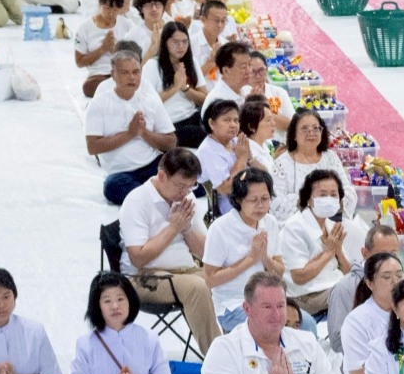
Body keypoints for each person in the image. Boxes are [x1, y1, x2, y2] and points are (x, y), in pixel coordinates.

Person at [201, 273, 349, 374]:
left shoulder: (307, 341)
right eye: (267, 307)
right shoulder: (225, 349)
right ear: (247, 309)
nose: (276, 314)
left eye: (280, 305)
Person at [118, 148, 222, 354]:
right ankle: (218, 359)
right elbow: (137, 258)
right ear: (162, 175)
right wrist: (173, 228)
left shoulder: (187, 198)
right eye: (180, 186)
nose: (185, 192)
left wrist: (187, 228)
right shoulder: (137, 200)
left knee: (233, 276)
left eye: (190, 186)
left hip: (186, 271)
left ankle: (242, 348)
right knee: (197, 287)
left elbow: (205, 253)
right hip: (144, 277)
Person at [85, 43, 176, 204]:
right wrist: (130, 134)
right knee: (113, 187)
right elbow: (93, 147)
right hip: (121, 172)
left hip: (152, 164)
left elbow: (171, 142)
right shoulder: (99, 103)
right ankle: (158, 195)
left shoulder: (149, 97)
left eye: (136, 72)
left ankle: (153, 194)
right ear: (113, 75)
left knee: (185, 171)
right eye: (125, 73)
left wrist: (144, 133)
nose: (131, 77)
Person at [202, 167, 285, 331]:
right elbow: (210, 280)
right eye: (253, 200)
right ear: (239, 200)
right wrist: (250, 259)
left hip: (269, 300)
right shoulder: (220, 228)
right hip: (232, 305)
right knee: (270, 328)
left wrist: (264, 257)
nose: (260, 206)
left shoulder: (270, 223)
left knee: (306, 324)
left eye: (265, 199)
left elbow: (279, 272)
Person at [279, 170, 369, 318]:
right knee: (358, 294)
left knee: (368, 284)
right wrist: (328, 252)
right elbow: (298, 277)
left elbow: (347, 272)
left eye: (333, 195)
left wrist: (338, 252)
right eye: (322, 194)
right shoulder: (295, 227)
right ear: (309, 199)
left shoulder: (330, 225)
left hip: (332, 287)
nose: (328, 199)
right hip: (306, 296)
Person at [266, 110, 348, 220]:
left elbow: (347, 191)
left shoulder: (331, 157)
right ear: (294, 134)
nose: (311, 132)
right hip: (294, 227)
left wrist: (332, 201)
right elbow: (276, 204)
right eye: (305, 128)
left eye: (316, 128)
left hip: (331, 221)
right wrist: (307, 200)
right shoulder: (281, 164)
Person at [141, 20, 207, 148]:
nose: (181, 46)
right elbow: (146, 103)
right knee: (211, 136)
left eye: (184, 42)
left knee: (223, 120)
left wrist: (185, 88)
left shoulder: (191, 62)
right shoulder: (152, 65)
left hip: (193, 116)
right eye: (175, 42)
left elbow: (204, 99)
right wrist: (175, 88)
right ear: (165, 43)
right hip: (170, 124)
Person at [194, 98, 245, 190]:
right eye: (227, 120)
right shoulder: (208, 151)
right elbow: (226, 188)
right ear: (212, 123)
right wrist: (241, 159)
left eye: (236, 120)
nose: (233, 125)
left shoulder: (236, 141)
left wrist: (250, 158)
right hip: (230, 202)